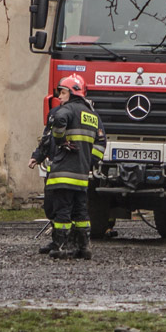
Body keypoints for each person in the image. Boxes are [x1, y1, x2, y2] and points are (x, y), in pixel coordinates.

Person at [27, 74, 106, 259]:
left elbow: (51, 135)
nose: (59, 97)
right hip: (81, 174)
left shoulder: (62, 112)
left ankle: (60, 245)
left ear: (72, 93)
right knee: (80, 211)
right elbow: (101, 142)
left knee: (60, 208)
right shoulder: (92, 115)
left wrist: (60, 141)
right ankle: (82, 247)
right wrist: (88, 162)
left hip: (62, 170)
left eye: (62, 93)